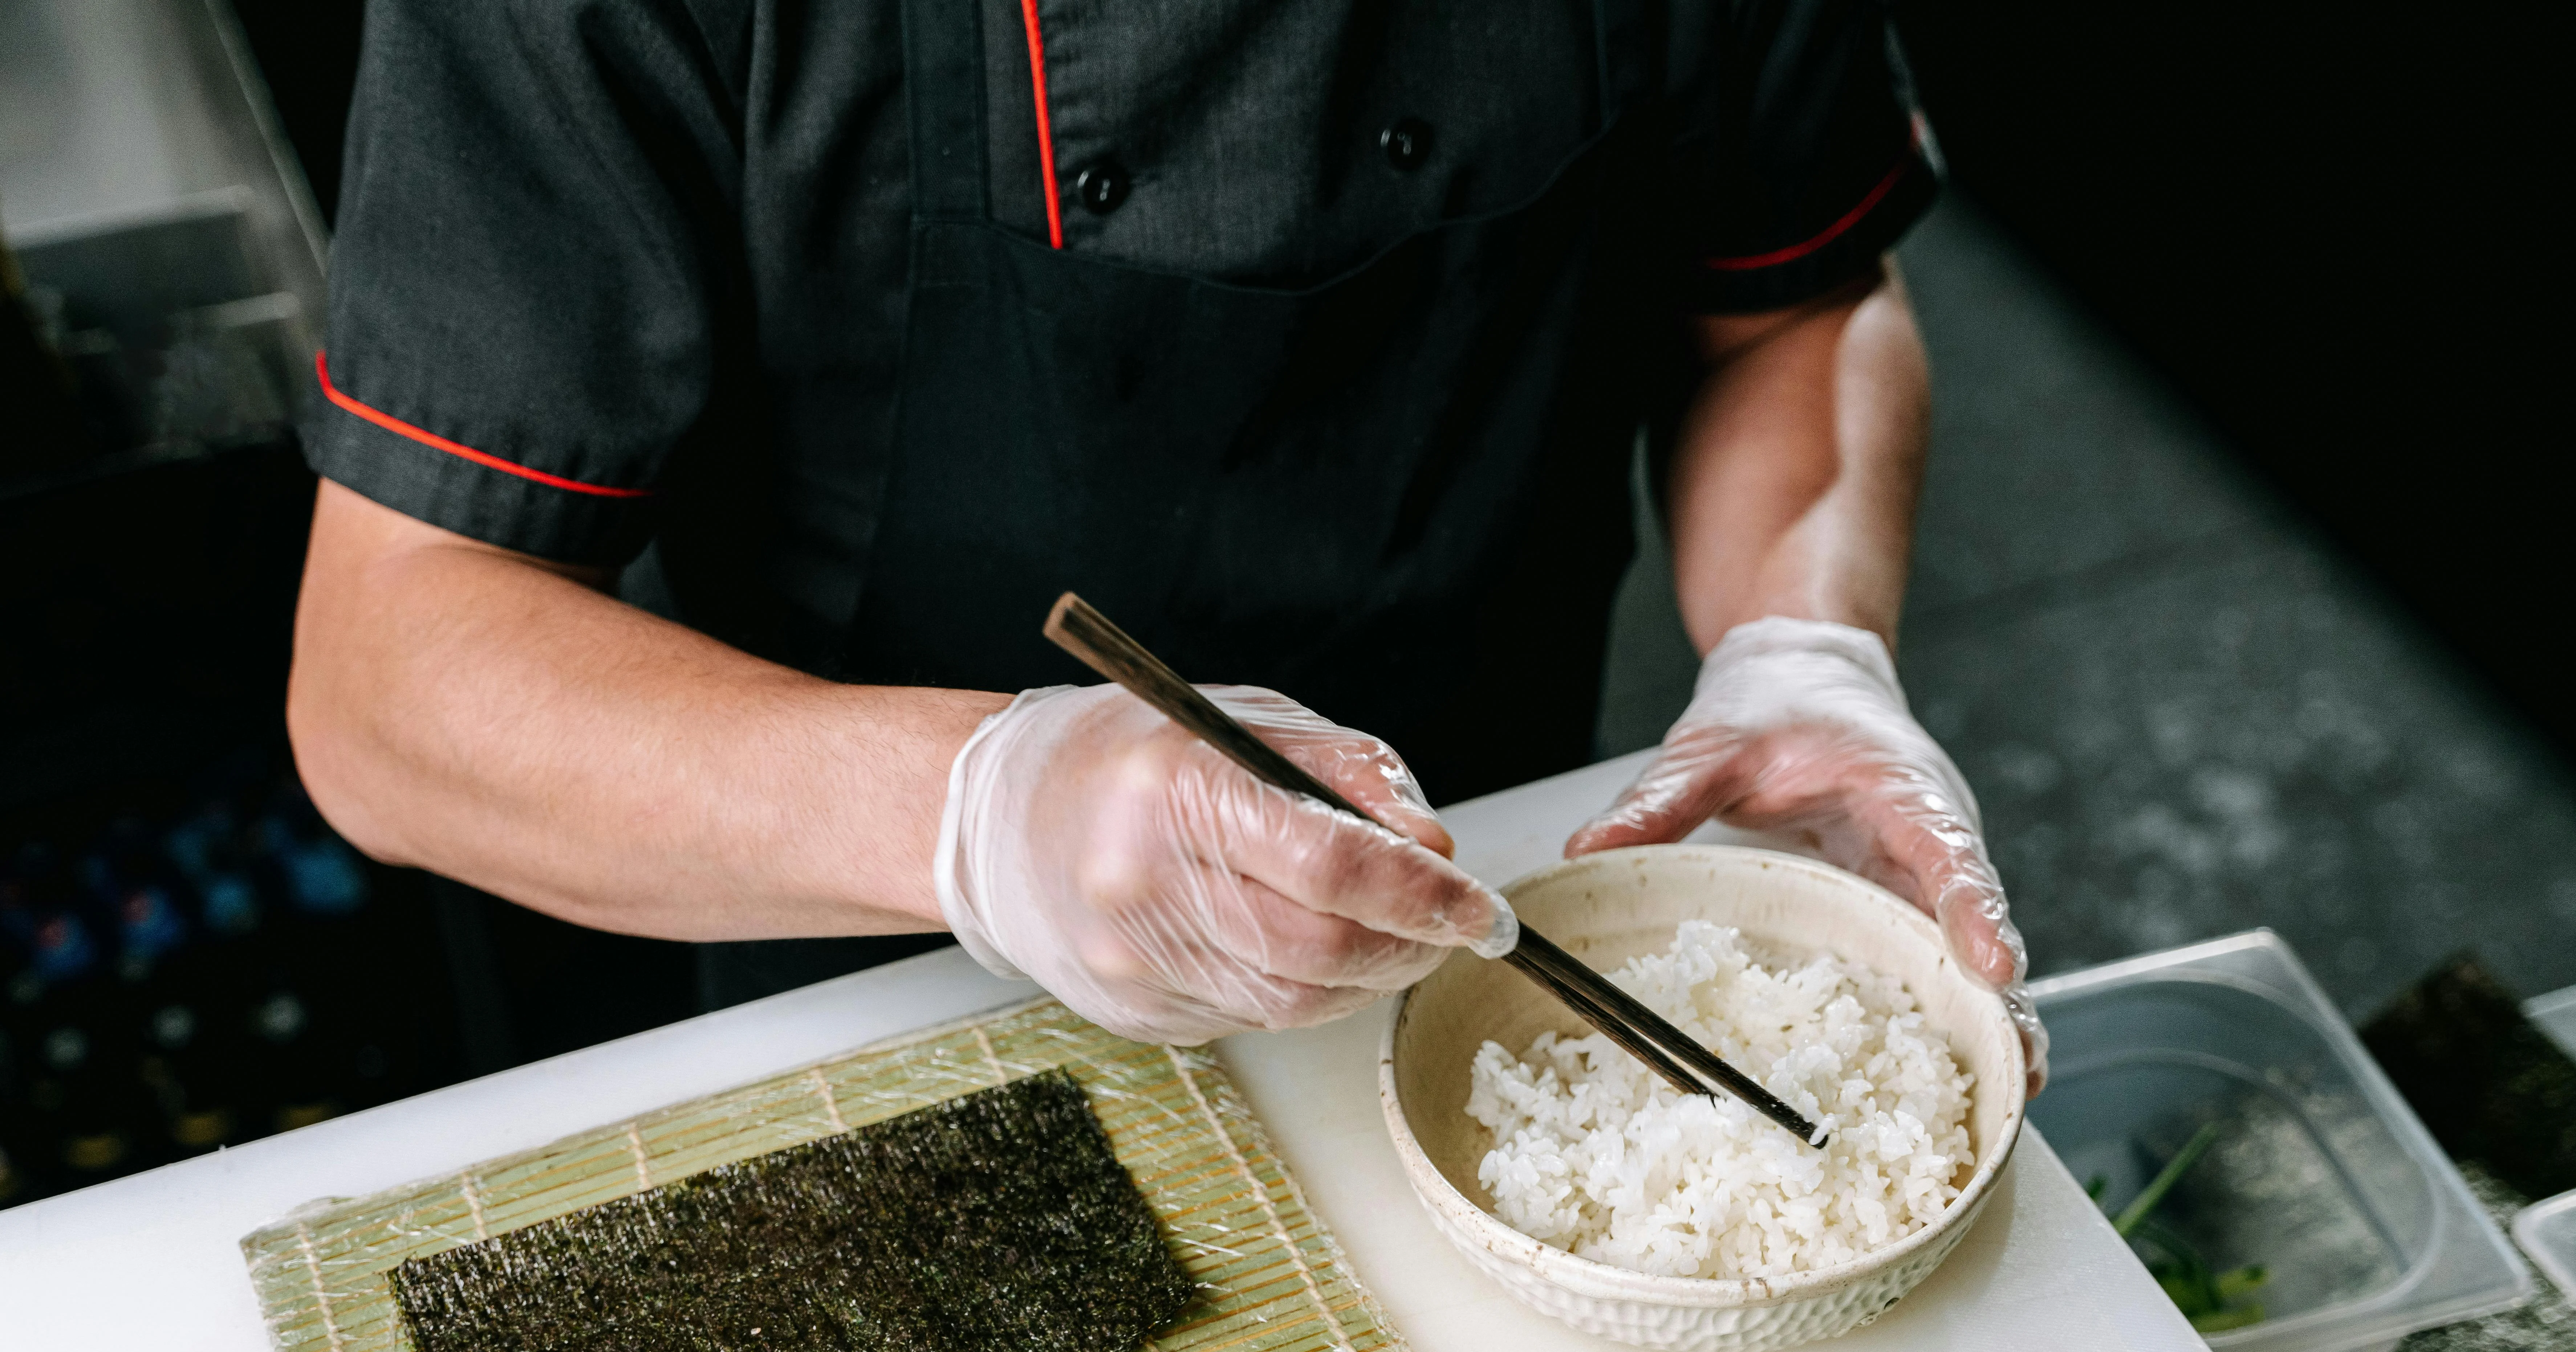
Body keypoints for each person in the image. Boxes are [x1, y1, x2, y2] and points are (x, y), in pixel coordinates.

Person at [289, 0, 2042, 1077]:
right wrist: (990, 813)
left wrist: (1797, 642)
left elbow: (1790, 302)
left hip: (1499, 907)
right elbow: (391, 681)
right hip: (888, 974)